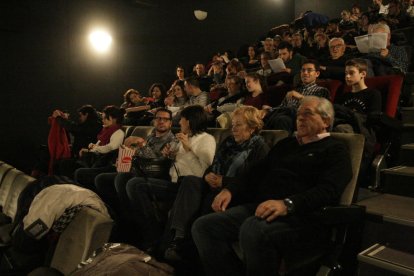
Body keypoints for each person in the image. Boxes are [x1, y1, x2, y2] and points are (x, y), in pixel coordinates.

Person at [191, 96, 353, 276]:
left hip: (301, 216)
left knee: (253, 229)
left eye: (307, 113)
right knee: (204, 227)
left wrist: (288, 204)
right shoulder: (286, 144)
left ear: (326, 121)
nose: (300, 118)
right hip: (260, 207)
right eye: (298, 114)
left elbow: (329, 190)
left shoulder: (335, 149)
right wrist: (231, 189)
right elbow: (255, 172)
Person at [163, 106, 269, 261]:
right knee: (190, 181)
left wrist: (223, 181)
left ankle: (185, 248)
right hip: (214, 184)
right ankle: (178, 236)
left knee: (208, 199)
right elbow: (211, 168)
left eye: (238, 125)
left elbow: (252, 181)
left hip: (235, 192)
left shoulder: (260, 148)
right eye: (232, 124)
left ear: (252, 127)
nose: (233, 128)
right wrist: (208, 176)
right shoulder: (228, 143)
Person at [124, 105, 216, 250]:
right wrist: (171, 155)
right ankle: (148, 231)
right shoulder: (184, 138)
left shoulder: (207, 139)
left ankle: (154, 236)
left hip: (188, 187)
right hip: (173, 182)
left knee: (135, 184)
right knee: (132, 184)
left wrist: (187, 149)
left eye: (182, 120)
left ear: (190, 121)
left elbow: (201, 173)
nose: (179, 123)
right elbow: (177, 165)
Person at [94, 108, 176, 239]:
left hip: (156, 175)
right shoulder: (151, 137)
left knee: (122, 179)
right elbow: (138, 154)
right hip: (139, 170)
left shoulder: (172, 140)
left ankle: (133, 224)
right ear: (154, 121)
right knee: (101, 179)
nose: (161, 121)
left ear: (170, 123)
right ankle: (117, 216)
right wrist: (127, 154)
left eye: (165, 119)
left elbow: (159, 161)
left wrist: (142, 145)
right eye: (158, 118)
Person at [264, 59, 330, 134]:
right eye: (303, 70)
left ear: (317, 74)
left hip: (303, 118)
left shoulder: (321, 90)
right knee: (264, 116)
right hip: (286, 115)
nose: (305, 73)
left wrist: (301, 98)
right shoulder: (295, 90)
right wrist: (268, 110)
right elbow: (282, 107)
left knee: (282, 119)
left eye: (309, 70)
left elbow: (320, 110)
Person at [73, 105, 125, 190]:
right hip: (99, 160)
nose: (102, 120)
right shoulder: (106, 131)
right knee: (69, 165)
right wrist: (88, 149)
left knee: (80, 172)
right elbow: (98, 147)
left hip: (108, 164)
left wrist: (95, 147)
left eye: (105, 118)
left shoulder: (118, 132)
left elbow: (111, 148)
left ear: (112, 118)